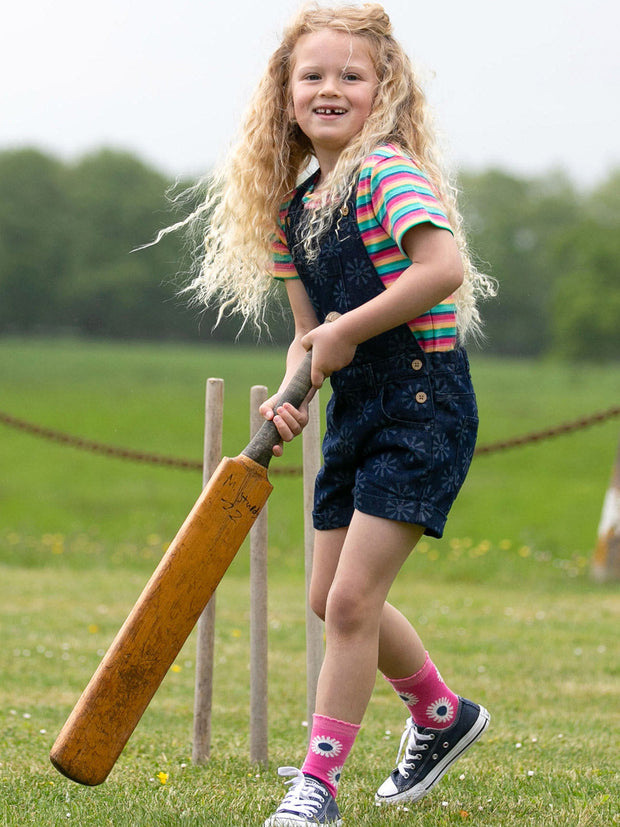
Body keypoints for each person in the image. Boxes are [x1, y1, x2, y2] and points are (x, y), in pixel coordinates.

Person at [178, 4, 497, 824]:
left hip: (423, 403)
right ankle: (439, 712)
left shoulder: (389, 174)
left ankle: (316, 787)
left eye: (350, 76)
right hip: (356, 407)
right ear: (285, 95)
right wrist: (293, 395)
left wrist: (347, 330)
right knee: (328, 594)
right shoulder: (293, 211)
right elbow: (304, 338)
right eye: (312, 76)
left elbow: (443, 266)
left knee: (352, 602)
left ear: (382, 91)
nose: (330, 89)